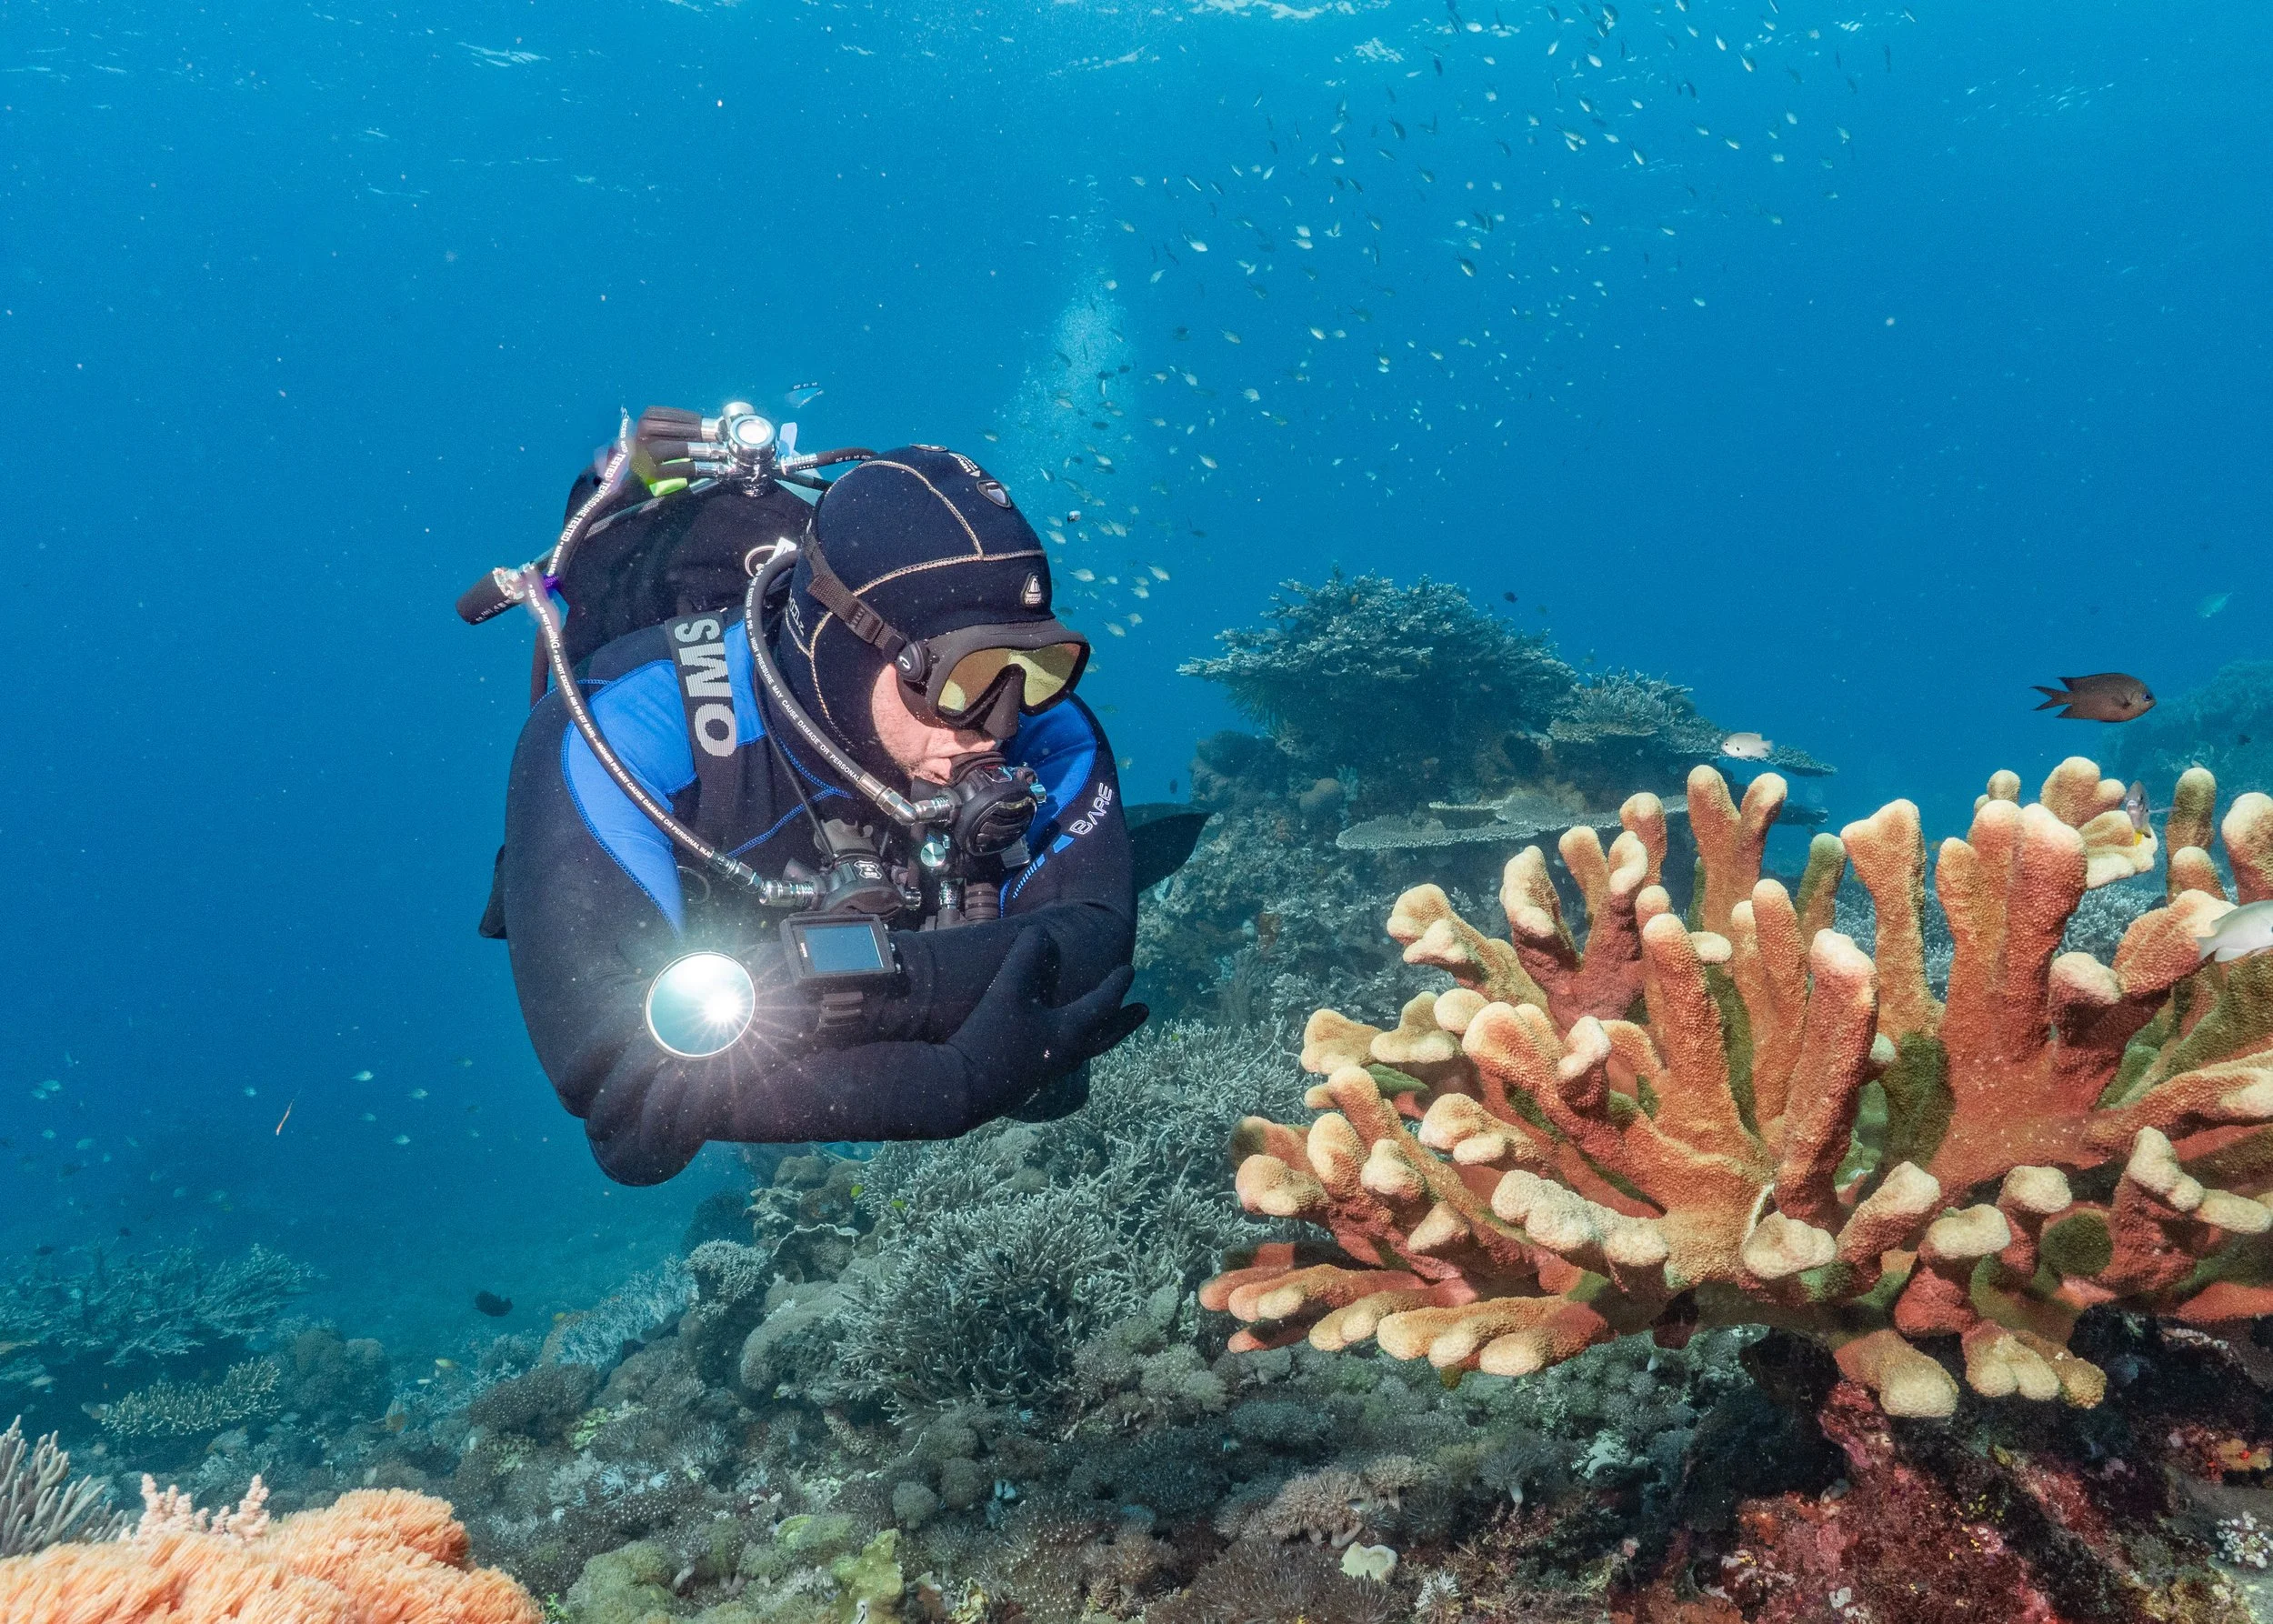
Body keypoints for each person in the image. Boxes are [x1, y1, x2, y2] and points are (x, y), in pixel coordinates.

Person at [487, 439, 1147, 1185]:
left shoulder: (1045, 726)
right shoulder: (616, 732)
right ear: (852, 647)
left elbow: (1096, 945)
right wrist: (949, 1083)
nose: (997, 725)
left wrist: (821, 1001)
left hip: (769, 1001)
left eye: (1034, 667)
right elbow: (623, 1104)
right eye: (962, 677)